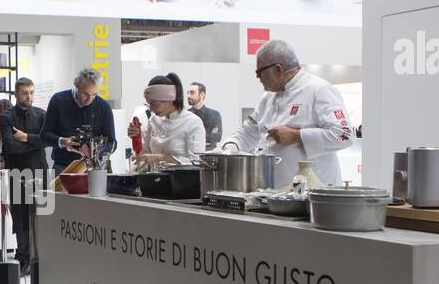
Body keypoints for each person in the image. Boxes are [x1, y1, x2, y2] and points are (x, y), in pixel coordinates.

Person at [220, 40, 351, 188]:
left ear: (278, 69)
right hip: (275, 191)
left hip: (314, 192)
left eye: (259, 72)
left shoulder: (319, 90)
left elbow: (344, 135)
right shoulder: (268, 97)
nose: (257, 78)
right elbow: (248, 132)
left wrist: (297, 135)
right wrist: (226, 151)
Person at [1, 77, 46, 277]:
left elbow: (47, 140)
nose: (29, 96)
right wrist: (35, 143)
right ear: (16, 94)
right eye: (25, 93)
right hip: (17, 172)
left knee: (41, 216)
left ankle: (40, 260)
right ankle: (24, 258)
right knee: (20, 217)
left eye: (31, 92)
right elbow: (10, 146)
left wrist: (26, 138)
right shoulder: (7, 117)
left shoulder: (42, 115)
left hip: (39, 171)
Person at [41, 68, 116, 173]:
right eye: (86, 94)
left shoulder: (104, 107)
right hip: (63, 167)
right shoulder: (58, 100)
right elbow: (44, 135)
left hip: (94, 168)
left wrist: (95, 151)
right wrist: (62, 141)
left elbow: (112, 143)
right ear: (76, 85)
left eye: (94, 95)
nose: (90, 99)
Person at [129, 73, 206, 161]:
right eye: (149, 104)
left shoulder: (192, 122)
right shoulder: (153, 120)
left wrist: (159, 158)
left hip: (184, 175)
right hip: (157, 174)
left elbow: (196, 161)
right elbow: (145, 154)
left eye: (154, 104)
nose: (151, 109)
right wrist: (136, 137)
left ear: (169, 99)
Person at [186, 81, 223, 148]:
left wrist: (193, 137)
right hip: (189, 154)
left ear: (202, 95)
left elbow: (217, 137)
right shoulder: (185, 115)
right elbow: (181, 137)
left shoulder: (215, 114)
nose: (188, 96)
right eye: (188, 93)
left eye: (192, 93)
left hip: (209, 155)